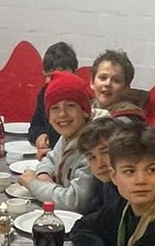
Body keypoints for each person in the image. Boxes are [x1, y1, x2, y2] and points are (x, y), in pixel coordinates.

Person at [18, 74, 98, 211]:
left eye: (70, 106)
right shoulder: (70, 134)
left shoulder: (95, 145)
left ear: (85, 111)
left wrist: (34, 184)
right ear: (48, 117)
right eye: (55, 108)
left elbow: (74, 202)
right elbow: (51, 158)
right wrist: (43, 174)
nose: (62, 114)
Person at [69, 118, 127, 246]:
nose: (100, 163)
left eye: (106, 153)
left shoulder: (129, 195)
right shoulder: (106, 185)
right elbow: (84, 225)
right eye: (92, 157)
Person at [29, 40, 80, 150]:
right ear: (44, 75)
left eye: (63, 76)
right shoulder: (44, 93)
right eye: (51, 76)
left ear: (75, 74)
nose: (57, 81)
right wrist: (39, 135)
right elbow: (35, 124)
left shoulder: (81, 96)